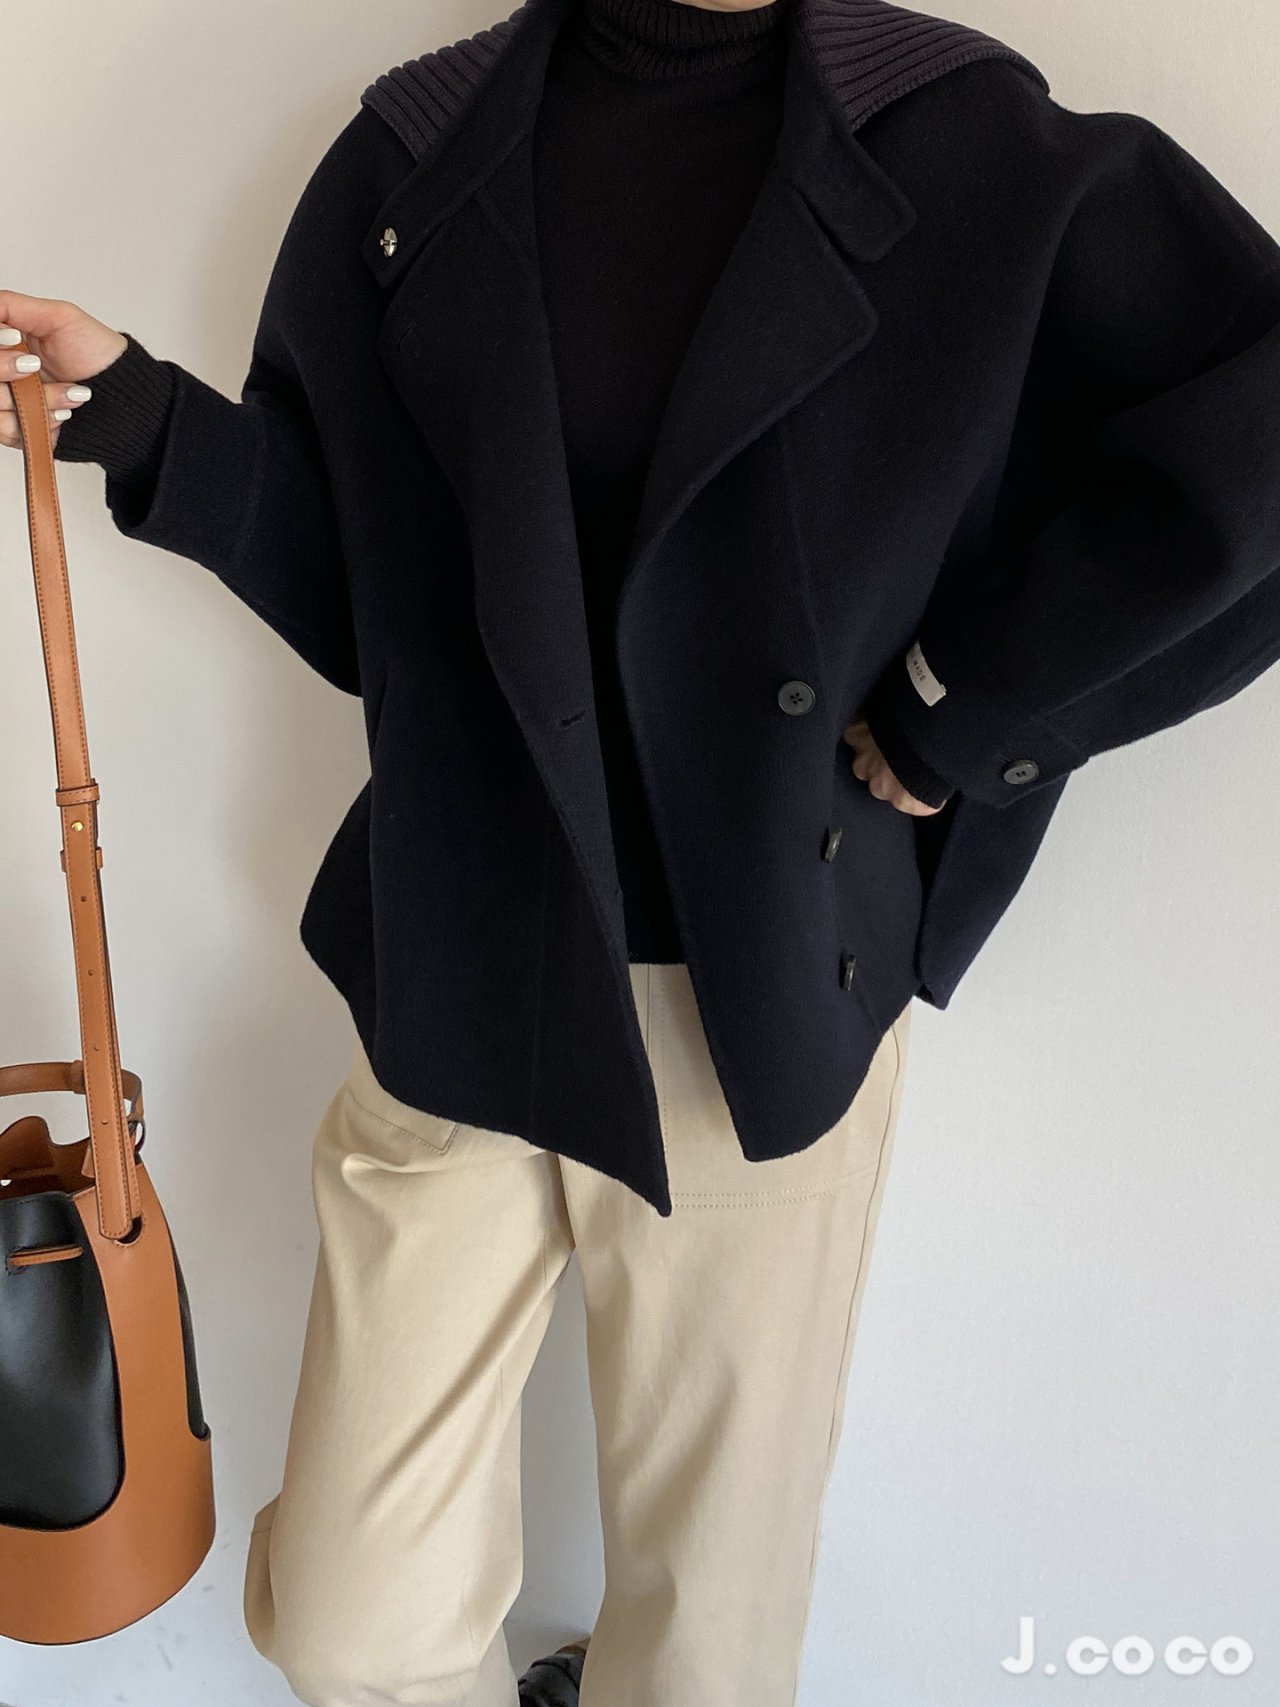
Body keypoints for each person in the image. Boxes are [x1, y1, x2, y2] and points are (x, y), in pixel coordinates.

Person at [3, 0, 1279, 1701]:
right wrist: (148, 416)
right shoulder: (414, 152)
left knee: (708, 1649)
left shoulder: (971, 142)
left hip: (758, 992)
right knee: (349, 1623)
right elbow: (375, 595)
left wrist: (962, 708)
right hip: (467, 963)